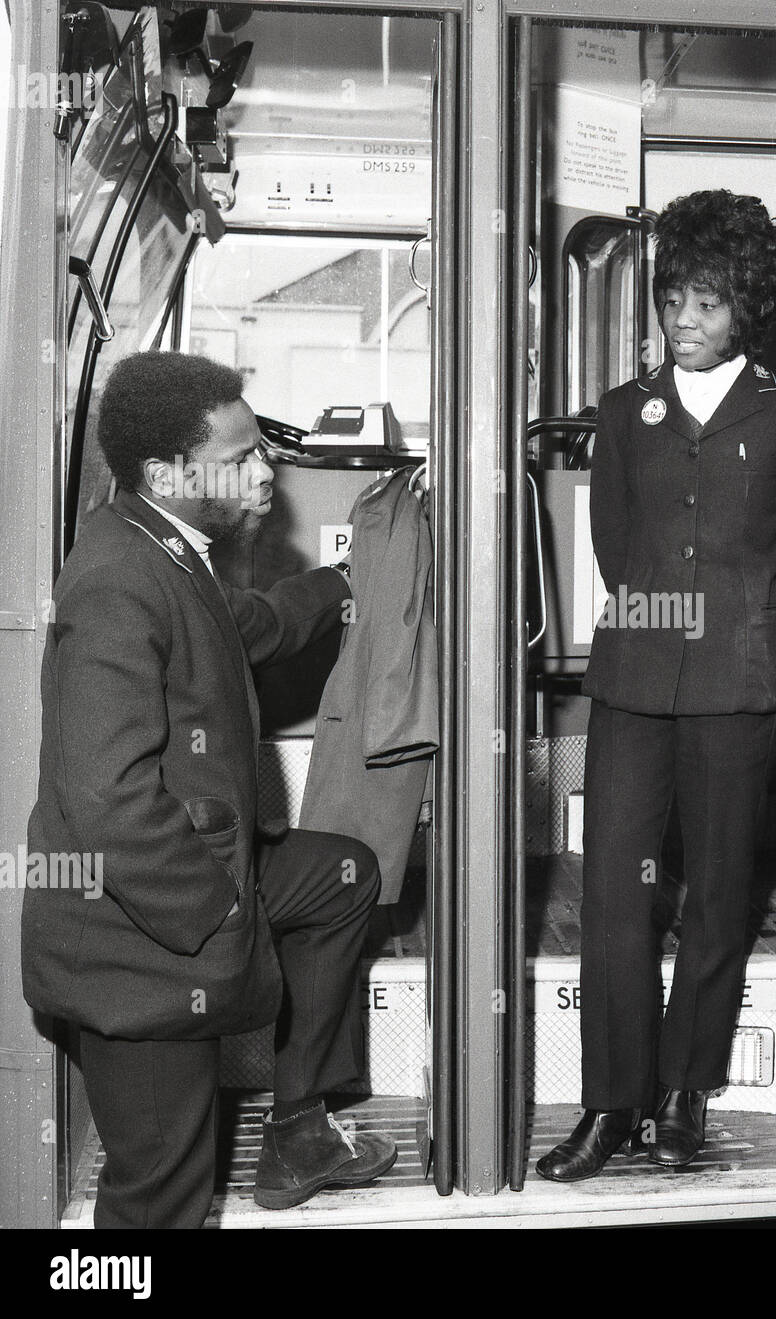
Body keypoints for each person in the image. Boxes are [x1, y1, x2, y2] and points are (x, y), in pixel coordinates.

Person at [22, 351, 397, 1227]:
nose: (264, 471)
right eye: (239, 458)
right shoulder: (118, 584)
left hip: (203, 878)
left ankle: (301, 1122)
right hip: (141, 948)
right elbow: (106, 803)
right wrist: (224, 917)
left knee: (345, 876)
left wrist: (345, 585)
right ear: (166, 472)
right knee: (161, 1202)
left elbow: (253, 626)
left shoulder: (162, 544)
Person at [537, 189, 776, 1182]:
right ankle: (609, 1104)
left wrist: (768, 664)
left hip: (740, 692)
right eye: (671, 302)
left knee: (717, 898)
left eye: (706, 304)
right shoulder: (624, 412)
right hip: (635, 685)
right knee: (614, 892)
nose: (685, 322)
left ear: (745, 306)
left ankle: (686, 1094)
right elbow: (616, 550)